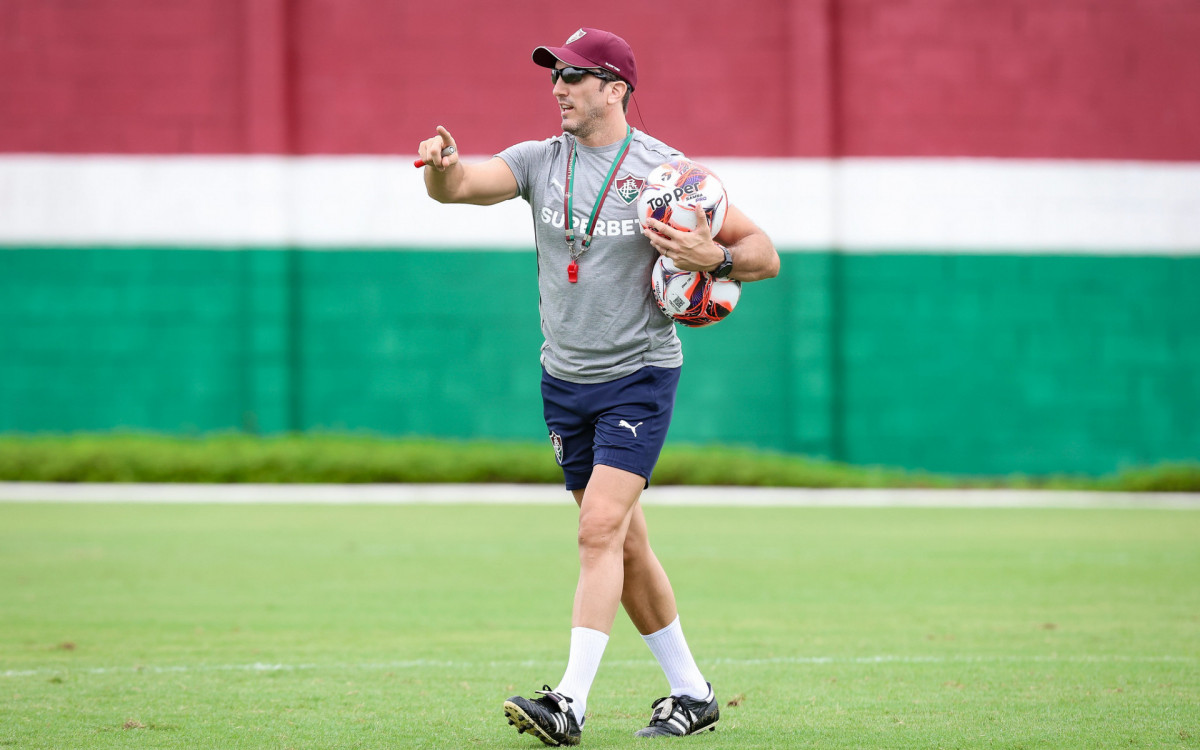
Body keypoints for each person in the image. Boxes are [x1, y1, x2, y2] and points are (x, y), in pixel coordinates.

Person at [416, 27, 779, 745]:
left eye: (576, 77)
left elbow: (763, 255)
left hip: (638, 377)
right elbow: (458, 187)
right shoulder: (537, 161)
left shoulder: (667, 173)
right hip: (564, 381)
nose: (559, 88)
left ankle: (569, 703)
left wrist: (716, 256)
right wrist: (439, 166)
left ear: (615, 89)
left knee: (597, 529)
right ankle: (693, 693)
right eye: (555, 76)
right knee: (626, 546)